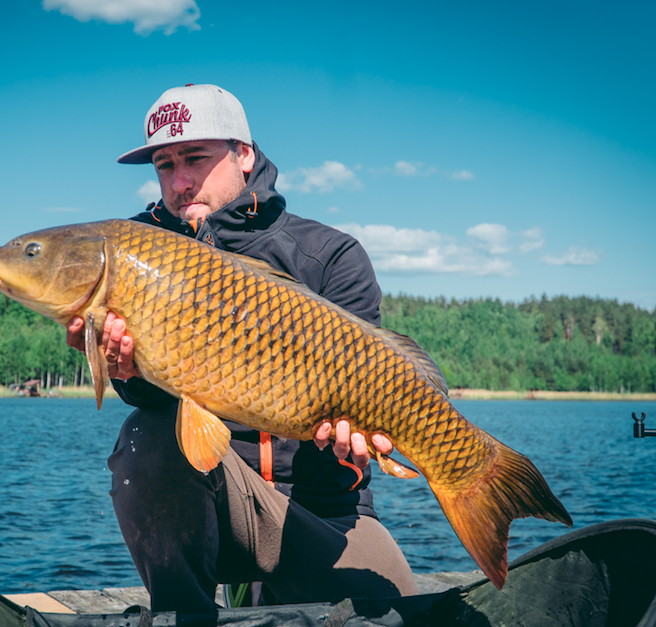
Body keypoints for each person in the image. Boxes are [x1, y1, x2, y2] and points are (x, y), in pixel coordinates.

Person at [66, 84, 417, 613]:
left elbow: (376, 377)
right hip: (213, 508)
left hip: (324, 513)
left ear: (244, 154)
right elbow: (150, 401)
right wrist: (125, 369)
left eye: (195, 159)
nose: (180, 182)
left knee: (393, 610)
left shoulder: (329, 254)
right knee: (147, 434)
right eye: (164, 165)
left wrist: (360, 433)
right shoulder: (134, 251)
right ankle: (184, 613)